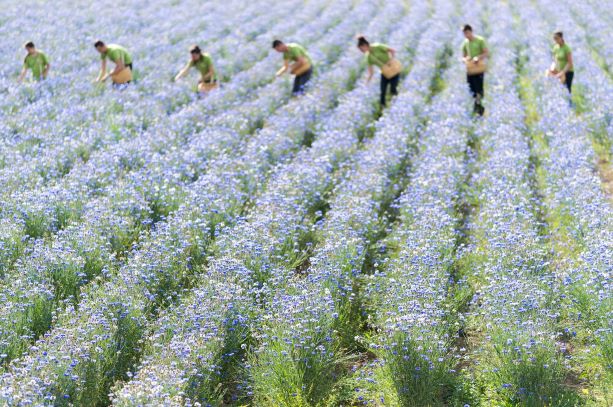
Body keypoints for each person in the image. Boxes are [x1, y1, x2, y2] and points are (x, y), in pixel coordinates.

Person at [357, 36, 398, 107]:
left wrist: (391, 60)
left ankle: (396, 103)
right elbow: (371, 72)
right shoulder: (368, 57)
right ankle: (383, 108)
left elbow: (392, 50)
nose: (361, 51)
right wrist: (366, 83)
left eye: (361, 49)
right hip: (385, 72)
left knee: (393, 89)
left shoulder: (377, 46)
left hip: (393, 68)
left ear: (365, 45)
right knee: (382, 91)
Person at [462, 25, 489, 116]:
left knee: (479, 89)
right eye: (465, 33)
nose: (466, 35)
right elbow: (463, 56)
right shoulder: (465, 43)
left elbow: (486, 52)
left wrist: (478, 57)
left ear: (471, 31)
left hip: (479, 68)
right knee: (471, 89)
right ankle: (475, 107)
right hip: (470, 69)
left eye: (467, 33)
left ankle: (480, 109)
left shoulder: (480, 40)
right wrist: (466, 59)